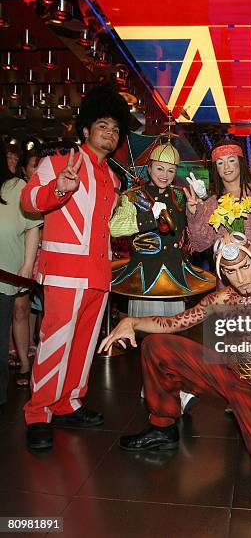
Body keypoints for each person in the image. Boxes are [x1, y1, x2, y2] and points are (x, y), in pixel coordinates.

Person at [99, 232, 251, 491]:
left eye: (245, 267)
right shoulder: (222, 298)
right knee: (156, 346)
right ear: (221, 271)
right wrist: (132, 322)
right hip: (224, 375)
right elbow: (176, 322)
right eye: (231, 271)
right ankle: (162, 427)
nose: (241, 277)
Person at [21, 85, 130, 450]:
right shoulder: (58, 162)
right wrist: (61, 187)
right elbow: (30, 200)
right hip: (65, 272)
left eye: (115, 129)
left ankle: (68, 403)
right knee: (54, 342)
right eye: (102, 126)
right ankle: (38, 412)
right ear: (86, 130)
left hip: (98, 275)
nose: (109, 134)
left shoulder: (114, 179)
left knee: (83, 346)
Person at [111, 139, 215, 314]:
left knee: (172, 333)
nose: (164, 175)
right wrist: (149, 217)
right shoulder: (132, 197)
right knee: (144, 332)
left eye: (170, 170)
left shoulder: (181, 195)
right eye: (159, 168)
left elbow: (201, 232)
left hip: (175, 274)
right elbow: (114, 228)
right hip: (145, 275)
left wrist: (200, 204)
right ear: (149, 168)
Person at [184, 138, 251, 278]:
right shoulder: (211, 204)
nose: (226, 167)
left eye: (231, 160)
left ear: (240, 163)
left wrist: (248, 255)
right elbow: (199, 245)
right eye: (220, 163)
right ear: (216, 168)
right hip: (228, 276)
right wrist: (194, 215)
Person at [0, 141, 41, 413]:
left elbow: (32, 227)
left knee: (15, 317)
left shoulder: (16, 188)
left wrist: (27, 264)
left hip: (7, 278)